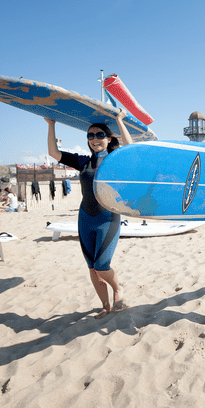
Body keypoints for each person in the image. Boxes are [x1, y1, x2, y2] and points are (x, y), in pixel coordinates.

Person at [45, 111, 133, 317]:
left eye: (100, 135)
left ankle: (118, 289)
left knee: (102, 267)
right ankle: (105, 305)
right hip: (85, 219)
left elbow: (131, 150)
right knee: (92, 267)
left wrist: (120, 120)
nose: (94, 139)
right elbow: (53, 152)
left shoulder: (116, 159)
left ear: (109, 138)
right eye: (90, 135)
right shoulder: (82, 162)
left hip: (108, 218)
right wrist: (51, 124)